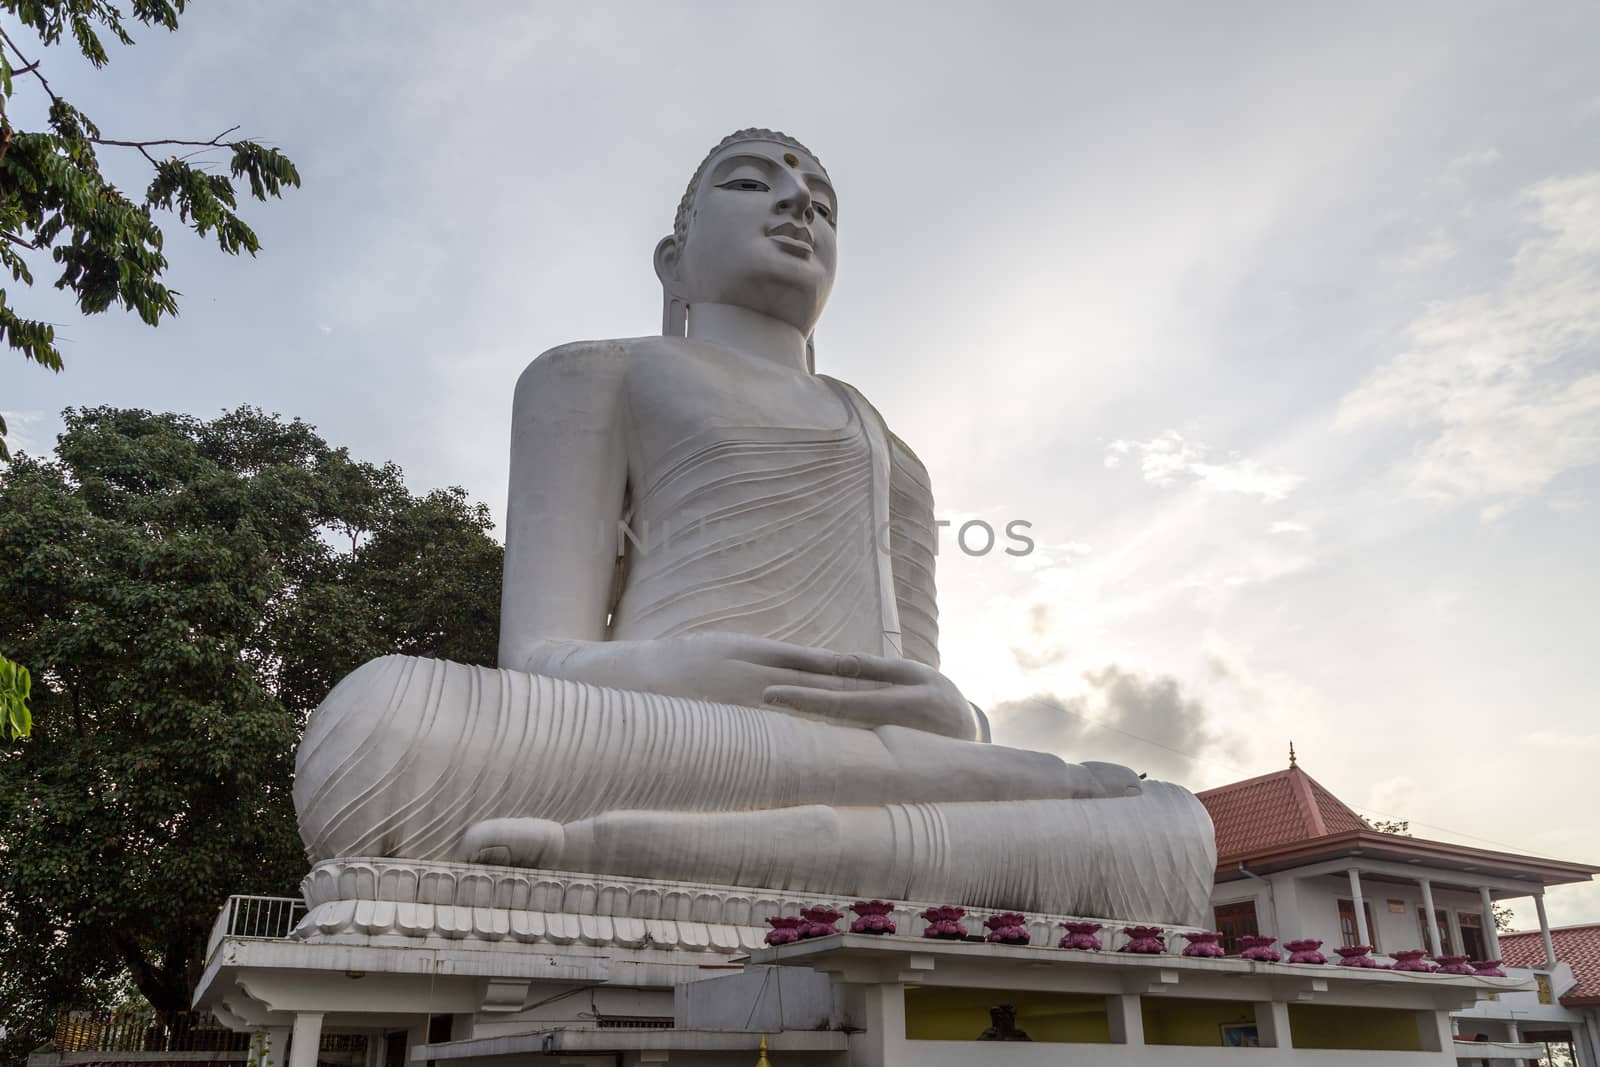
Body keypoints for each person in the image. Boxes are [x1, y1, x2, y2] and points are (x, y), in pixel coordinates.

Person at [294, 130, 1215, 923]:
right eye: (751, 183)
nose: (795, 207)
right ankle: (877, 847)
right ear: (674, 257)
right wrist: (698, 669)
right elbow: (537, 657)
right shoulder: (591, 375)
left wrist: (946, 710)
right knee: (380, 723)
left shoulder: (889, 448)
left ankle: (628, 848)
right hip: (668, 733)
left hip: (867, 755)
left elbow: (938, 713)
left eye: (822, 202)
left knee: (1173, 821)